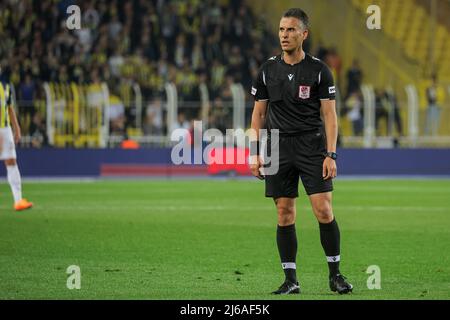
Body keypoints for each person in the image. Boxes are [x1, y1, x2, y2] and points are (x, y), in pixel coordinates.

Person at [249, 8, 352, 295]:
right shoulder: (268, 70)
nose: (284, 35)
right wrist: (254, 152)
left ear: (304, 34)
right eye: (282, 30)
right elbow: (258, 114)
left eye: (291, 30)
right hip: (277, 147)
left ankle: (335, 275)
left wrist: (331, 155)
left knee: (323, 209)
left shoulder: (319, 70)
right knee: (284, 213)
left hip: (311, 145)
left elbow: (330, 116)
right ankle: (290, 280)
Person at [0, 79, 33, 211]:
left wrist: (17, 127)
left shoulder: (5, 87)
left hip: (5, 129)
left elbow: (9, 108)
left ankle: (18, 201)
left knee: (12, 162)